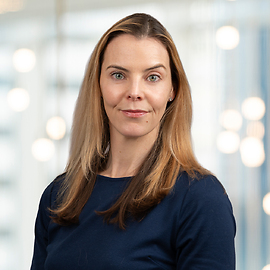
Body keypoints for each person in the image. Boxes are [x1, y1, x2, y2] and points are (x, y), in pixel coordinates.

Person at [31, 13, 236, 270]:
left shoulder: (200, 199)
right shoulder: (58, 196)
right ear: (98, 84)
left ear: (172, 89)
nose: (134, 92)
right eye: (118, 75)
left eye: (152, 77)